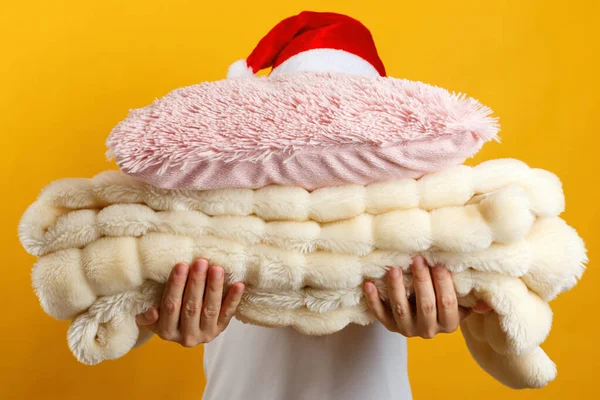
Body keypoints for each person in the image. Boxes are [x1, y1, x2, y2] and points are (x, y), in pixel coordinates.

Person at [136, 256, 491, 400]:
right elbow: (121, 307)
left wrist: (446, 301)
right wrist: (151, 314)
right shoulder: (201, 145)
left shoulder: (399, 137)